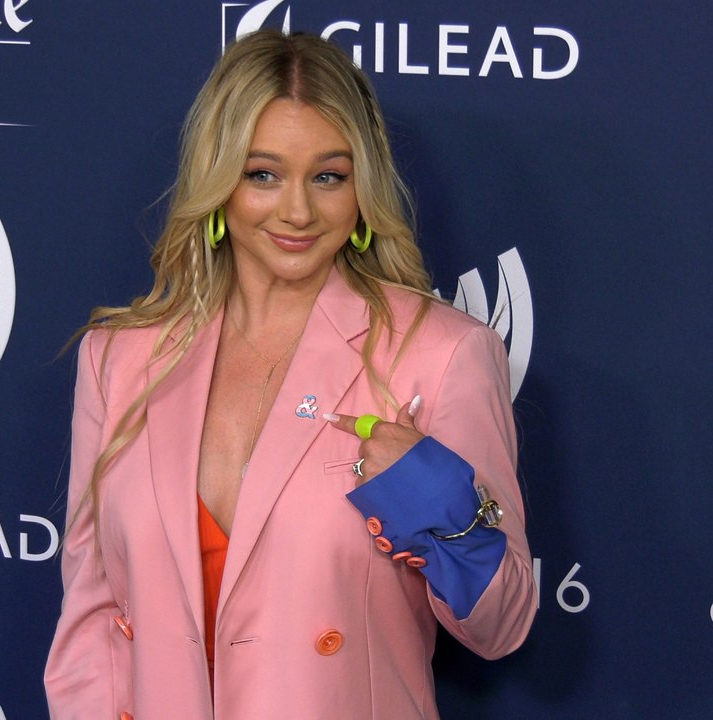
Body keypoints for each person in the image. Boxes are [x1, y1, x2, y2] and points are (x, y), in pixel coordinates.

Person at [45, 30, 536, 720]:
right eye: (263, 174)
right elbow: (91, 622)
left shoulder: (442, 355)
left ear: (361, 188)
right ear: (219, 183)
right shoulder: (120, 356)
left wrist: (432, 494)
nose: (298, 211)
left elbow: (503, 622)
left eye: (328, 176)